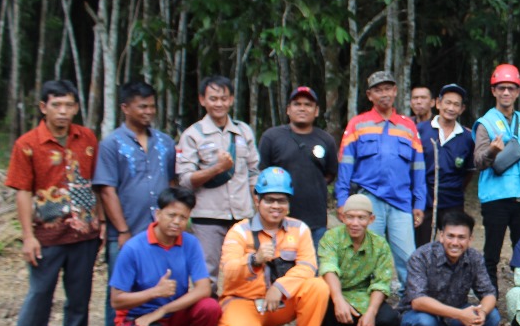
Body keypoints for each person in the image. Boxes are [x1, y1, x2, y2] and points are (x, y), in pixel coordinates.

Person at [7, 81, 102, 326]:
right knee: (39, 296)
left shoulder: (86, 138)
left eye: (69, 105)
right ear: (43, 107)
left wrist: (98, 219)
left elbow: (96, 182)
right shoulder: (28, 143)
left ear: (76, 107)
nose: (63, 112)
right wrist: (27, 236)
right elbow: (23, 192)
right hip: (46, 236)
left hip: (83, 233)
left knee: (80, 296)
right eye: (57, 105)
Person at [94, 80, 176, 326]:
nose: (148, 111)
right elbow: (107, 189)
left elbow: (172, 184)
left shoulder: (165, 142)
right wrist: (122, 230)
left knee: (159, 284)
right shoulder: (111, 144)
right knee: (119, 288)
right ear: (125, 107)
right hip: (128, 231)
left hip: (160, 232)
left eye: (152, 106)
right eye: (142, 106)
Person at [217, 167, 331, 326]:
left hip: (280, 303)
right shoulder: (240, 232)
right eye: (269, 200)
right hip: (246, 301)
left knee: (317, 287)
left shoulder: (300, 229)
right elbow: (228, 271)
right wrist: (254, 259)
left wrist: (280, 287)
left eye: (282, 200)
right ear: (257, 200)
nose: (276, 206)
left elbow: (308, 266)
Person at [108, 187, 220, 326]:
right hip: (139, 319)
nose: (177, 222)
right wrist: (154, 292)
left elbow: (203, 288)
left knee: (210, 307)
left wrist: (162, 310)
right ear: (157, 214)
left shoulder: (190, 243)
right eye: (172, 215)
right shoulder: (133, 248)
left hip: (173, 316)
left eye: (183, 217)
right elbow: (116, 301)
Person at [336, 70, 428, 289]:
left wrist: (419, 203)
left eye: (388, 89)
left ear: (395, 92)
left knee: (408, 258)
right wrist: (342, 200)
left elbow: (418, 168)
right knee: (366, 255)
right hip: (368, 200)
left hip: (401, 202)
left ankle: (413, 305)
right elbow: (345, 165)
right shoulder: (358, 124)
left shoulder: (408, 126)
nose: (383, 94)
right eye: (378, 90)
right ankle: (364, 303)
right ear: (370, 95)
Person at [176, 74, 260, 293]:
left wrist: (258, 205)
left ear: (231, 100)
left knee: (247, 269)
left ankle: (242, 320)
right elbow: (184, 179)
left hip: (242, 215)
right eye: (213, 99)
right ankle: (209, 325)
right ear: (202, 100)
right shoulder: (193, 134)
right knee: (207, 273)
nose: (219, 104)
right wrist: (216, 169)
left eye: (223, 98)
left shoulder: (243, 131)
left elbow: (253, 171)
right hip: (208, 215)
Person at [399, 209, 500, 326]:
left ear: (470, 239)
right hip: (419, 317)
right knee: (425, 323)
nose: (455, 242)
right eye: (450, 236)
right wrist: (460, 314)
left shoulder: (474, 257)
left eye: (461, 237)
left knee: (492, 316)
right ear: (441, 236)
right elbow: (417, 301)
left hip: (452, 318)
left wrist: (482, 311)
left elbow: (488, 293)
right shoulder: (421, 257)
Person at [473, 63, 520, 289]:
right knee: (492, 252)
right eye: (501, 88)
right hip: (496, 197)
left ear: (518, 91)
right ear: (493, 91)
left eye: (511, 88)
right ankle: (489, 297)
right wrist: (493, 150)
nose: (506, 93)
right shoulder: (485, 123)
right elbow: (478, 162)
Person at [316, 193, 401, 326]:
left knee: (389, 319)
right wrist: (338, 299)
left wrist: (370, 312)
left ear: (371, 219)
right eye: (350, 217)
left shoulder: (379, 244)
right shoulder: (331, 237)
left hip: (360, 296)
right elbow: (328, 267)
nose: (355, 223)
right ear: (342, 217)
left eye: (361, 218)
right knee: (319, 293)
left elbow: (381, 282)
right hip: (333, 294)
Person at [258, 86, 338, 244]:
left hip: (316, 219)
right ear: (288, 109)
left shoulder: (326, 140)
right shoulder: (271, 137)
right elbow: (261, 175)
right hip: (279, 218)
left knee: (313, 266)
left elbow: (330, 174)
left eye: (308, 105)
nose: (302, 108)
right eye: (297, 104)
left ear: (316, 111)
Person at [417, 83, 475, 245]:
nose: (451, 108)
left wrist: (455, 188)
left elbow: (468, 172)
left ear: (462, 109)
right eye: (447, 102)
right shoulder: (420, 130)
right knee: (422, 246)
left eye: (456, 104)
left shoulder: (467, 137)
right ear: (438, 103)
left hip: (453, 202)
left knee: (452, 246)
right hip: (424, 201)